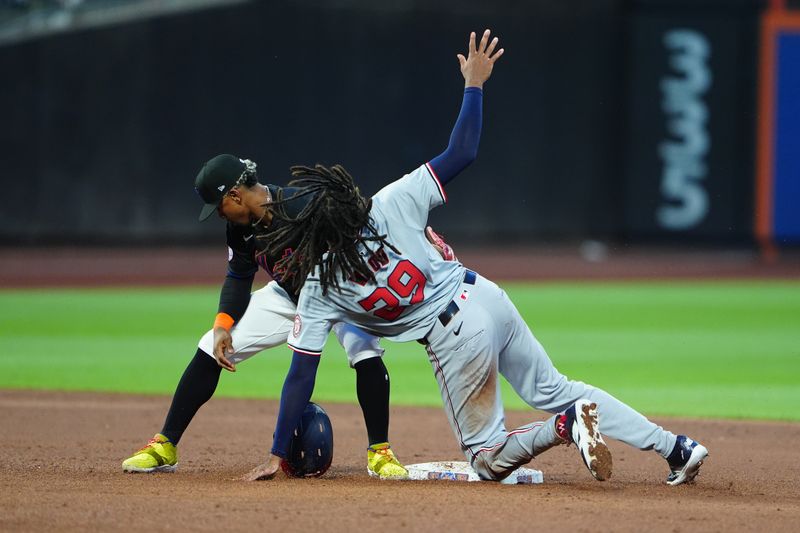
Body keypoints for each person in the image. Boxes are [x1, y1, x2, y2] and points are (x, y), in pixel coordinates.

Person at [243, 29, 709, 485]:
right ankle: (676, 448)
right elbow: (462, 151)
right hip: (483, 294)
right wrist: (474, 85)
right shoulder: (390, 200)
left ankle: (564, 427)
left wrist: (277, 453)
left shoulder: (320, 287)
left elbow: (300, 374)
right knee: (556, 388)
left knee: (485, 461)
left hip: (455, 335)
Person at [121, 154, 455, 479]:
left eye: (219, 207)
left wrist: (417, 245)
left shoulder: (301, 205)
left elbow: (363, 221)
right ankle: (165, 444)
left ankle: (379, 451)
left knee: (364, 350)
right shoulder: (241, 229)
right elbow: (238, 276)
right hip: (289, 296)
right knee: (211, 345)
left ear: (234, 195)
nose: (219, 215)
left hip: (342, 295)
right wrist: (223, 325)